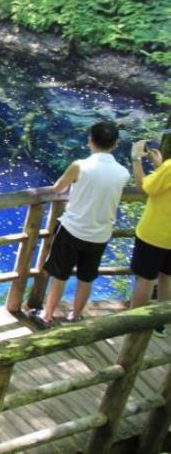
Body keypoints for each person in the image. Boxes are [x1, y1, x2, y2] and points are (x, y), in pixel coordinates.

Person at [29, 121, 130, 329]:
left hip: (73, 229)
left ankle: (47, 316)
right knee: (86, 277)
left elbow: (58, 188)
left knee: (60, 275)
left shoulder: (80, 165)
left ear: (90, 140)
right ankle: (75, 316)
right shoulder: (123, 173)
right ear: (115, 144)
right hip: (100, 233)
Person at [128, 135, 170, 335]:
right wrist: (160, 167)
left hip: (155, 233)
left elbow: (143, 187)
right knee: (167, 278)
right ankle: (160, 323)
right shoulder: (167, 169)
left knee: (145, 279)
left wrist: (136, 159)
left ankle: (133, 324)